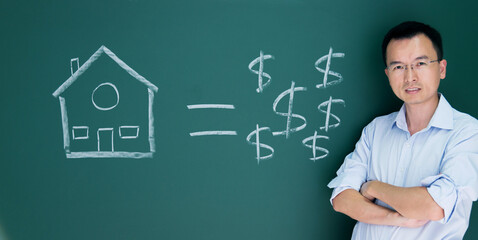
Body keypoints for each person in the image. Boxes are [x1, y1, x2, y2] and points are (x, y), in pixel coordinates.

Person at [328, 21, 478, 239]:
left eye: (420, 64)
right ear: (388, 74)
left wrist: (373, 187)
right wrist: (396, 218)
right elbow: (342, 198)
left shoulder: (467, 132)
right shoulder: (376, 130)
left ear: (442, 68)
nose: (410, 77)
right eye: (399, 67)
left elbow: (434, 206)